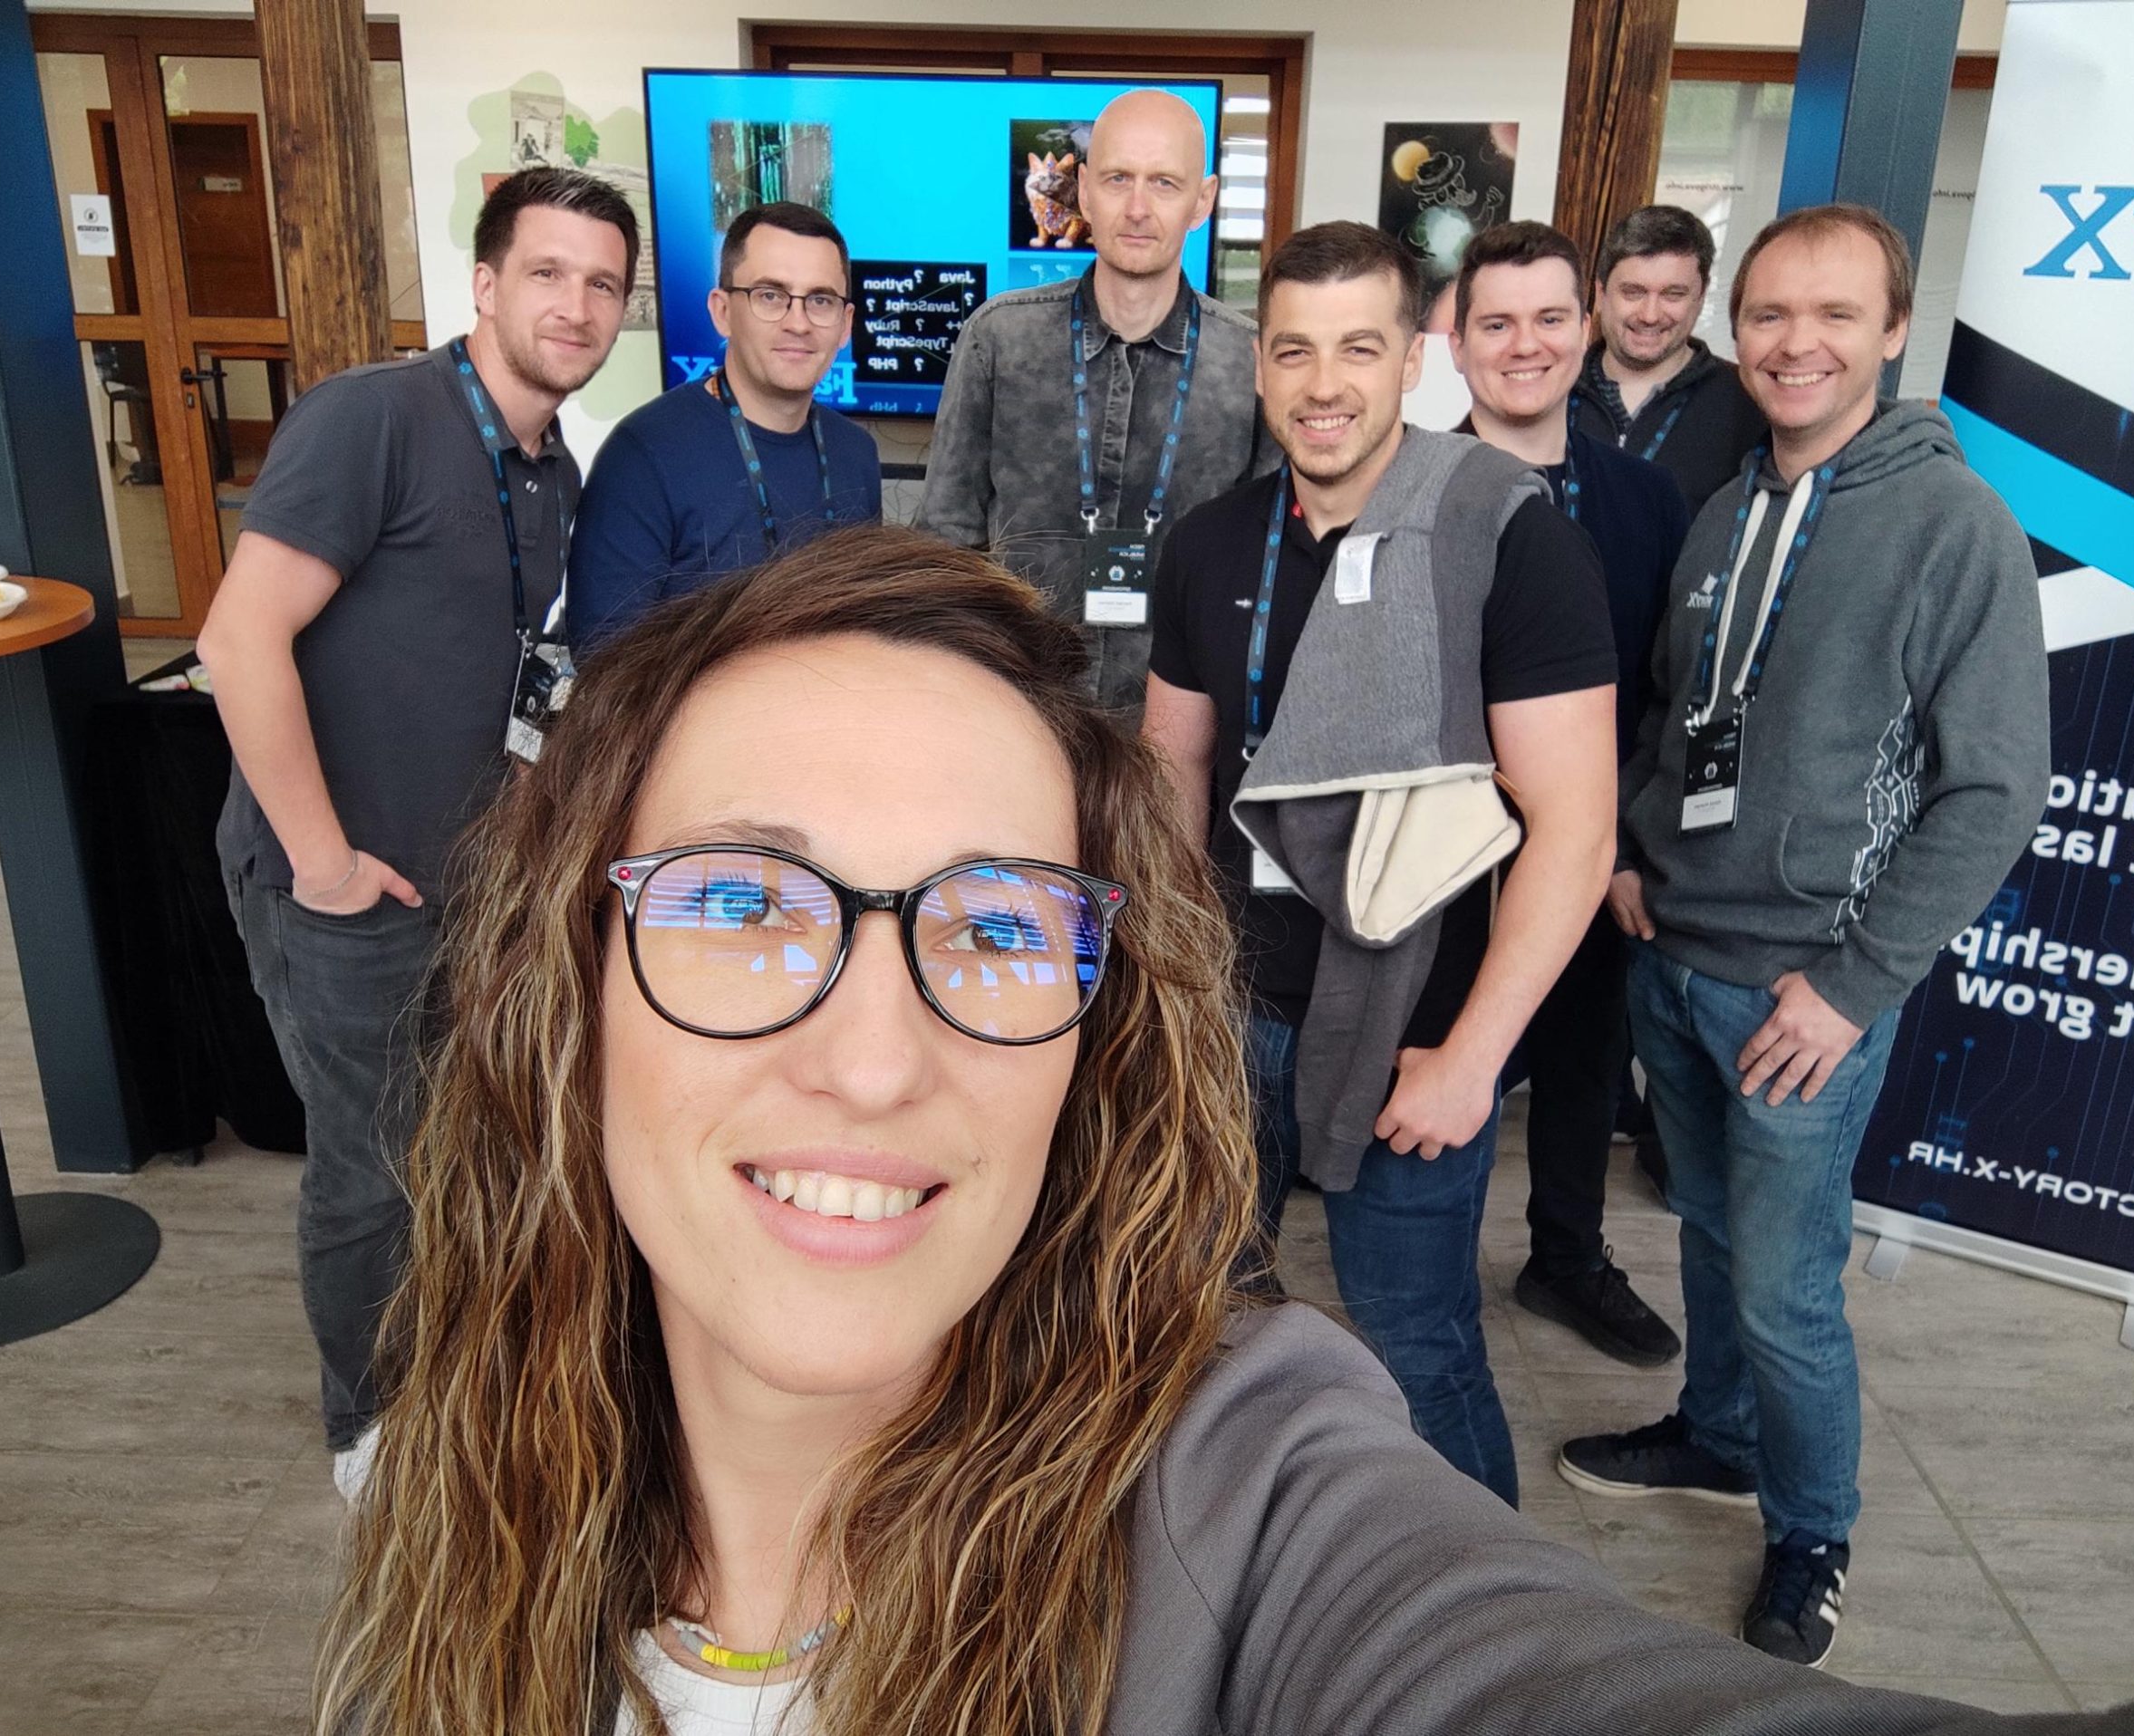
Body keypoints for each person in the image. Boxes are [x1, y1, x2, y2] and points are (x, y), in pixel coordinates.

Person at [310, 525, 2134, 1736]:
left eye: (996, 927)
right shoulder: (444, 1486)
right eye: (742, 903)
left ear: (1092, 1045)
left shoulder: (1248, 1491)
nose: (873, 1063)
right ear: (567, 986)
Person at [1559, 205, 2051, 1667]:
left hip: (1804, 992)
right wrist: (1635, 848)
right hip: (1676, 954)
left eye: (1836, 314)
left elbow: (1994, 791)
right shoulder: (1726, 511)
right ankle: (1717, 1438)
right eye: (1770, 313)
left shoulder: (1953, 524)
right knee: (1713, 1243)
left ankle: (1813, 1528)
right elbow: (1676, 707)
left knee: (1784, 1289)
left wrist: (1850, 989)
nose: (1797, 343)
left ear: (1894, 331)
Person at [1142, 221, 1619, 1507]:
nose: (1324, 384)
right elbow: (1173, 768)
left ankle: (1488, 1602)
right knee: (1205, 1313)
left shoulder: (1504, 535)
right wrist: (1174, 986)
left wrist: (1472, 1058)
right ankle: (1234, 1553)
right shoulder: (1209, 541)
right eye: (1293, 350)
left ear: (1417, 358)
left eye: (1360, 348)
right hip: (1232, 1010)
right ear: (1259, 365)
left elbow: (1575, 828)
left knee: (1416, 1339)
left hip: (1417, 1024)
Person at [198, 166, 637, 1489]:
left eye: (602, 284)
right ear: (486, 284)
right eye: (547, 273)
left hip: (464, 885)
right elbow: (237, 639)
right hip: (344, 889)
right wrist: (324, 863)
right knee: (372, 1169)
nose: (575, 306)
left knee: (453, 1152)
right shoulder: (374, 417)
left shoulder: (553, 467)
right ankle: (369, 1430)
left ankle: (446, 1380)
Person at [1444, 219, 1687, 1369]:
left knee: (1588, 1057)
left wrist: (1624, 842)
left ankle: (1567, 1255)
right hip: (1442, 856)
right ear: (1455, 341)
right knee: (1445, 1056)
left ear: (1585, 330)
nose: (1524, 344)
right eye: (1495, 322)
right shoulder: (1402, 486)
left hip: (1594, 845)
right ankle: (1426, 1265)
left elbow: (1666, 689)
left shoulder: (1647, 499)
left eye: (1548, 318)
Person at [919, 88, 1266, 711]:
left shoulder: (1251, 362)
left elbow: (1262, 570)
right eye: (1117, 178)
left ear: (1202, 201)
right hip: (1023, 707)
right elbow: (945, 545)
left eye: (1164, 182)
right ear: (1082, 190)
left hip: (1179, 723)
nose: (1137, 208)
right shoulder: (999, 339)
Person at [565, 200, 881, 657]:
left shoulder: (857, 455)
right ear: (722, 311)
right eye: (770, 295)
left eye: (820, 300)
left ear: (845, 324)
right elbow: (603, 663)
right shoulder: (643, 456)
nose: (798, 323)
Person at [1571, 203, 1768, 517]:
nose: (1650, 315)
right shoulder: (1553, 387)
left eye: (1673, 294)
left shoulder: (1749, 402)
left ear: (1700, 298)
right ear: (1601, 293)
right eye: (1633, 292)